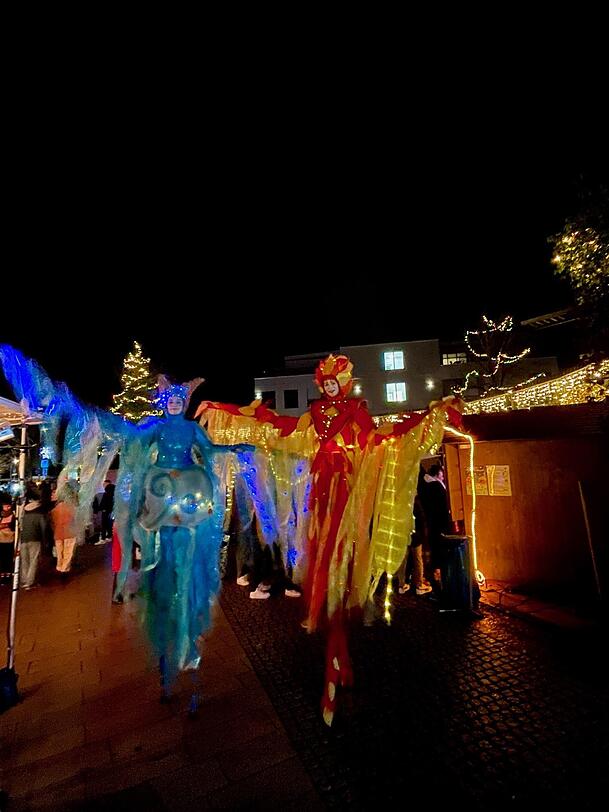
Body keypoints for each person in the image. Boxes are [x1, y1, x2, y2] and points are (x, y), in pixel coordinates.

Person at [421, 463, 451, 592]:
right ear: (436, 474)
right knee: (439, 548)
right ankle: (438, 575)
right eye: (441, 474)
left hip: (432, 522)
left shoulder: (426, 486)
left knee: (435, 548)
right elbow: (443, 506)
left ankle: (435, 573)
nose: (443, 477)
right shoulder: (436, 487)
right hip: (439, 522)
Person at [398, 493, 433, 596]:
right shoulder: (415, 502)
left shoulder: (401, 501)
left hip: (404, 533)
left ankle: (401, 584)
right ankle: (419, 585)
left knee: (403, 560)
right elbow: (421, 519)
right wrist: (423, 534)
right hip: (415, 534)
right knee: (418, 559)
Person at [20, 485, 48, 590]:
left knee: (25, 561)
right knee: (33, 561)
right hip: (35, 539)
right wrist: (45, 541)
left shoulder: (23, 514)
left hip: (23, 539)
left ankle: (23, 580)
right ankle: (30, 582)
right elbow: (43, 529)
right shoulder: (40, 515)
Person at [49, 480, 79, 578]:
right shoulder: (72, 508)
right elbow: (76, 520)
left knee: (59, 552)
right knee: (68, 552)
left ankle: (59, 567)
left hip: (57, 533)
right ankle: (64, 570)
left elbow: (52, 522)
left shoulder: (54, 509)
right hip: (69, 533)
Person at [0, 500, 15, 584]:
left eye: (8, 506)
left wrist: (4, 526)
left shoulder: (13, 516)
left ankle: (8, 575)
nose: (7, 508)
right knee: (2, 558)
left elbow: (13, 527)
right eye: (5, 506)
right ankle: (3, 575)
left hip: (9, 540)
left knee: (8, 558)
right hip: (1, 540)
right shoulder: (1, 516)